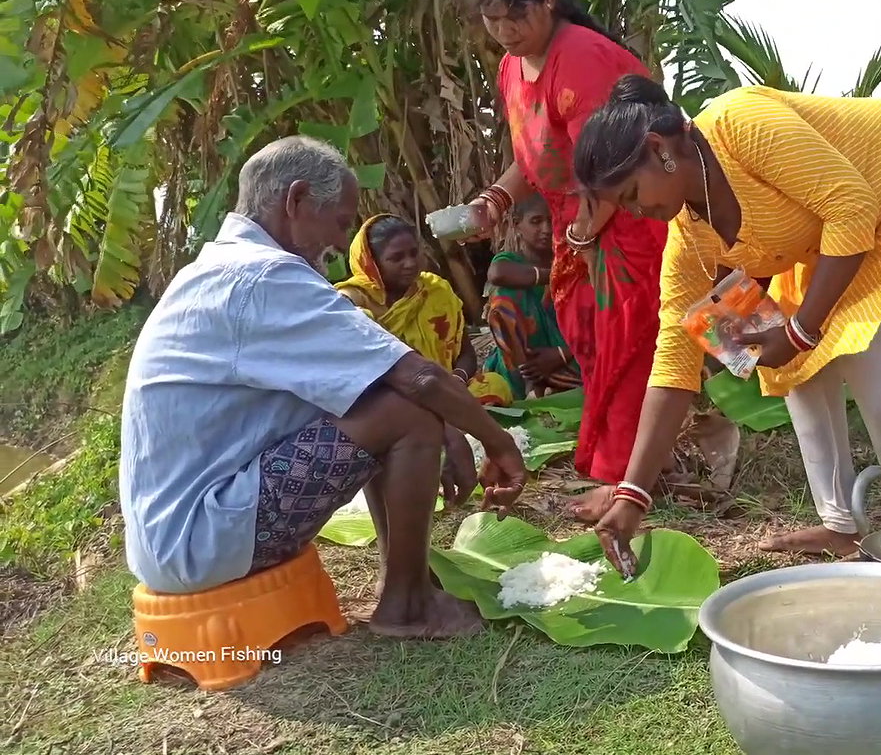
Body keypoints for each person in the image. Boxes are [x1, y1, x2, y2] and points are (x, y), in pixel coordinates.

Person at [571, 76, 881, 565]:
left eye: (632, 194)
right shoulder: (690, 238)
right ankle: (842, 525)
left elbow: (850, 205)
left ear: (659, 150)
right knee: (787, 364)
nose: (638, 213)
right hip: (841, 223)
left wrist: (801, 330)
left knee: (872, 357)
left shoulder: (738, 123)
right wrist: (632, 494)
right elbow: (673, 359)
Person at [119, 137, 525, 638]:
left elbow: (371, 382)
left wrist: (451, 426)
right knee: (406, 410)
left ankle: (403, 581)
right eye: (337, 222)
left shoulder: (218, 270)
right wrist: (498, 441)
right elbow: (416, 377)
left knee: (380, 397)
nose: (338, 244)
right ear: (297, 200)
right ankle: (408, 605)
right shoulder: (265, 277)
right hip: (202, 537)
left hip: (172, 536)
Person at [456, 0, 664, 487]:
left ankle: (626, 478)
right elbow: (535, 157)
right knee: (591, 341)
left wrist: (581, 237)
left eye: (516, 16)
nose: (504, 31)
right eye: (492, 19)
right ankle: (610, 462)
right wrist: (495, 201)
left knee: (626, 342)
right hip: (579, 226)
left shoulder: (580, 59)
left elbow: (612, 169)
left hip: (630, 218)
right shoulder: (510, 66)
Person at [336, 214, 513, 406]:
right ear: (372, 264)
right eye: (396, 258)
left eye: (414, 253)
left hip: (447, 390)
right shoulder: (352, 301)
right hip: (399, 401)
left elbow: (465, 352)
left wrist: (458, 379)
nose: (410, 263)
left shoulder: (435, 290)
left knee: (494, 384)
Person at [484, 195, 581, 398]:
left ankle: (551, 384)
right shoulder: (510, 260)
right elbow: (497, 274)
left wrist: (563, 353)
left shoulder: (577, 260)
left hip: (569, 352)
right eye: (536, 221)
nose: (546, 229)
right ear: (518, 225)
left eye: (552, 220)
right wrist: (559, 277)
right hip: (525, 359)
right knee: (504, 298)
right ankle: (527, 382)